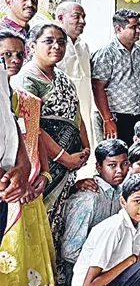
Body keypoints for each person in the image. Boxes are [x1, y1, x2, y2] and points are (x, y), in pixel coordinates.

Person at [0, 29, 56, 286]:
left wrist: (42, 176)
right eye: (5, 54)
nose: (13, 60)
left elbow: (35, 138)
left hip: (30, 193)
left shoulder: (28, 100)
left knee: (28, 266)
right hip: (8, 194)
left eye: (19, 54)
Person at [10, 24, 90, 230]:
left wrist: (85, 147)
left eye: (61, 42)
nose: (56, 46)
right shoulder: (26, 79)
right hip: (43, 163)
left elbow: (76, 114)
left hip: (68, 164)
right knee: (40, 220)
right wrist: (65, 158)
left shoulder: (62, 77)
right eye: (49, 41)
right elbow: (33, 128)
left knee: (59, 216)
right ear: (32, 46)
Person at [58, 139, 129, 286]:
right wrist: (107, 265)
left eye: (124, 164)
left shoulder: (122, 193)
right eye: (112, 165)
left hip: (107, 271)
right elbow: (69, 252)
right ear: (98, 167)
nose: (120, 170)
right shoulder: (88, 199)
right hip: (84, 283)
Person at [91, 9, 140, 144]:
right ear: (118, 29)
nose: (138, 30)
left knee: (135, 157)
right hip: (115, 117)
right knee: (113, 158)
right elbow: (98, 88)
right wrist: (107, 120)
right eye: (133, 27)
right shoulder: (106, 54)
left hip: (138, 115)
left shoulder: (139, 51)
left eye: (139, 26)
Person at [56, 2, 95, 155]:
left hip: (85, 107)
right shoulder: (54, 46)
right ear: (60, 18)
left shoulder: (83, 46)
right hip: (63, 111)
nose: (82, 21)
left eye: (83, 17)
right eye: (76, 17)